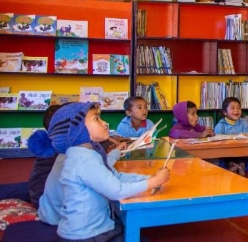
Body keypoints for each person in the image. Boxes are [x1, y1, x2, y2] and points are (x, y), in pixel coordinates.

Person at [27, 102, 169, 241]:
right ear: (78, 131)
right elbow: (117, 190)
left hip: (85, 230)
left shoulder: (81, 153)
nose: (105, 123)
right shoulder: (85, 159)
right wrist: (153, 181)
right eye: (96, 119)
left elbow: (112, 175)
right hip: (87, 234)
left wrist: (148, 178)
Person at [214, 97, 248, 175]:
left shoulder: (244, 123)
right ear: (225, 112)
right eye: (232, 108)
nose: (236, 110)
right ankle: (232, 166)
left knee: (244, 155)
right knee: (226, 158)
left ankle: (241, 166)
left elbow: (247, 137)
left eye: (238, 108)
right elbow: (217, 141)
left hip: (241, 149)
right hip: (227, 150)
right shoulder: (220, 125)